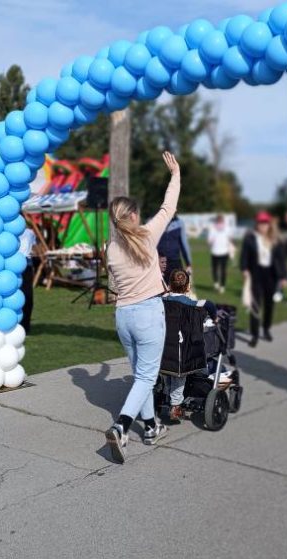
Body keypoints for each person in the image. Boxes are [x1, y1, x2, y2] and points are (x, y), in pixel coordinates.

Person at [104, 151, 181, 464]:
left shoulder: (111, 249)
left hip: (123, 316)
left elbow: (114, 285)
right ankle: (121, 426)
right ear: (133, 216)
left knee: (141, 374)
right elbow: (169, 206)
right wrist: (175, 173)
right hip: (148, 314)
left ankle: (150, 427)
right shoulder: (148, 236)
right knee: (147, 377)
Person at [163, 269, 218, 422]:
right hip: (180, 350)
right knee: (179, 376)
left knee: (167, 373)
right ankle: (175, 405)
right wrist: (215, 317)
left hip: (162, 349)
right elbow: (209, 304)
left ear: (169, 285)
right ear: (187, 287)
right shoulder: (192, 304)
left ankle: (168, 396)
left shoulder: (161, 301)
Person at [241, 211, 287, 348]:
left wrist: (283, 276)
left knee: (269, 304)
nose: (263, 225)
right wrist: (244, 269)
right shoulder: (250, 238)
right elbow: (244, 256)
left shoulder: (275, 239)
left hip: (271, 275)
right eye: (260, 223)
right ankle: (255, 335)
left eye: (265, 223)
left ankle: (266, 328)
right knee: (255, 305)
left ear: (269, 224)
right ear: (257, 223)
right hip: (256, 273)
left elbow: (281, 259)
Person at [157, 214, 192, 281]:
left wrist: (188, 264)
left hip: (175, 262)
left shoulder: (179, 223)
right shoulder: (157, 222)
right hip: (161, 263)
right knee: (162, 289)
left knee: (178, 287)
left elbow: (184, 244)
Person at [18, 226, 37, 333]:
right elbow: (34, 247)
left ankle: (22, 324)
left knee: (24, 295)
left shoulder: (29, 232)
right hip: (26, 263)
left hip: (14, 263)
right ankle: (25, 325)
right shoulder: (30, 232)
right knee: (27, 295)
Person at [207, 214, 232, 293]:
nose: (220, 221)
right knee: (214, 269)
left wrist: (231, 249)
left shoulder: (227, 228)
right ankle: (216, 283)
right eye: (219, 220)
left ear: (223, 221)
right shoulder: (212, 228)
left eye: (221, 220)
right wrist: (211, 241)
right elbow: (209, 240)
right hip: (215, 252)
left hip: (224, 252)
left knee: (223, 270)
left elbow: (229, 239)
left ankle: (222, 286)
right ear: (217, 220)